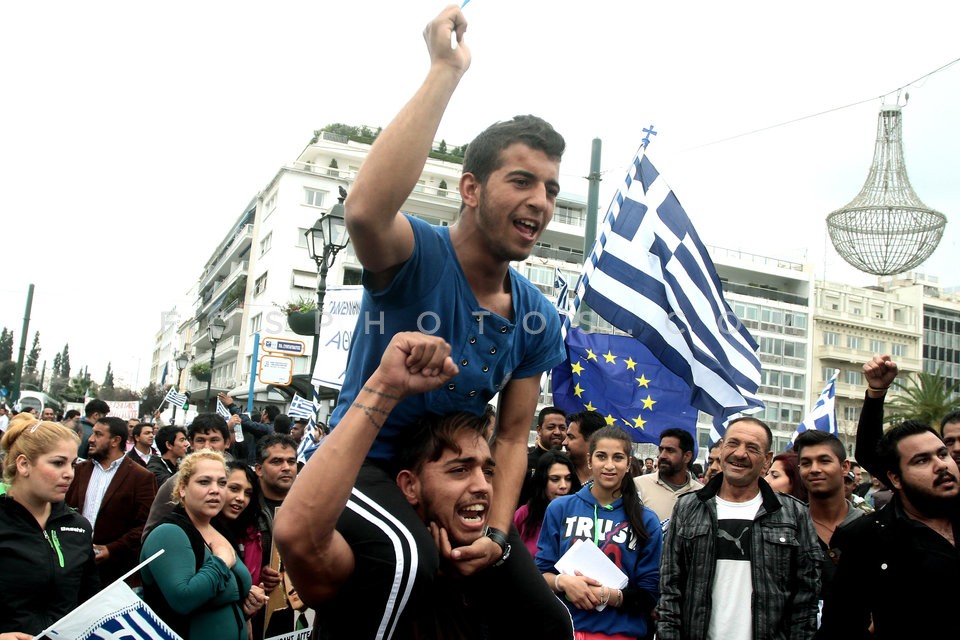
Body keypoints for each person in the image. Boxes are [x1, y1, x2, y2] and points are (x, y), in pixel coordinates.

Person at [292, 5, 568, 637]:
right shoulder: (415, 255)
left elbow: (510, 439)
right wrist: (445, 69)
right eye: (522, 180)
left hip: (449, 481)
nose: (540, 202)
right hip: (368, 468)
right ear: (469, 189)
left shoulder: (537, 318)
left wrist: (496, 536)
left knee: (547, 621)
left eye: (551, 188)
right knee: (405, 559)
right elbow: (363, 211)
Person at [274, 332, 574, 639]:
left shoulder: (497, 574)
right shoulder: (369, 562)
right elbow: (296, 535)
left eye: (487, 471)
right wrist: (385, 386)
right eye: (459, 470)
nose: (482, 486)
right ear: (409, 485)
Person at [658, 417, 821, 640]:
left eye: (752, 448)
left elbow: (806, 600)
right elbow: (670, 589)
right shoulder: (687, 507)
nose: (740, 454)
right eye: (733, 444)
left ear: (767, 460)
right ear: (722, 447)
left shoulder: (794, 514)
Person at [819, 420, 960, 638]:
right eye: (922, 460)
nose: (941, 465)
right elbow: (840, 627)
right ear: (895, 478)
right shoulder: (868, 538)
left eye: (942, 454)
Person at [537, 425, 662, 640]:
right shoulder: (560, 509)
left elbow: (649, 594)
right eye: (601, 457)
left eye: (618, 458)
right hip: (565, 629)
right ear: (589, 460)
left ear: (628, 463)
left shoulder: (647, 520)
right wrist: (563, 582)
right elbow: (540, 574)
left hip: (621, 633)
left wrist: (605, 596)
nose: (609, 466)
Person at [140, 450, 267, 639]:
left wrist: (246, 607)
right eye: (204, 482)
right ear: (182, 488)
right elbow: (184, 599)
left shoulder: (218, 528)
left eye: (222, 483)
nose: (215, 489)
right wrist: (221, 562)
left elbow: (223, 596)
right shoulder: (169, 533)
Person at [0, 418, 99, 638]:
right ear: (23, 464)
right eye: (58, 463)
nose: (69, 473)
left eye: (72, 464)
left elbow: (90, 604)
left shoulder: (79, 527)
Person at [64, 416, 157, 589]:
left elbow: (145, 525)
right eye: (92, 434)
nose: (91, 439)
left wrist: (112, 549)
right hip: (73, 566)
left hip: (113, 575)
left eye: (98, 434)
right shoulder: (79, 471)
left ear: (115, 440)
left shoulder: (141, 477)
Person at [793, 429, 864, 619]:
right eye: (806, 463)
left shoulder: (869, 527)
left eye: (824, 461)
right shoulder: (790, 527)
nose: (814, 469)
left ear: (844, 467)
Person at [143, 414, 232, 540]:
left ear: (227, 442)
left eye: (214, 440)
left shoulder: (239, 478)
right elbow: (150, 533)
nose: (207, 447)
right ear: (191, 443)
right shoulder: (176, 482)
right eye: (200, 440)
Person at [514, 449, 581, 557]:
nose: (563, 485)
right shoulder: (523, 515)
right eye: (555, 479)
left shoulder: (581, 515)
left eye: (568, 479)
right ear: (542, 481)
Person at [634, 427, 703, 524]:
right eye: (661, 450)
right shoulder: (637, 485)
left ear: (687, 456)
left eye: (670, 450)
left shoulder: (701, 493)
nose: (662, 456)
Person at [217, 459, 263, 585]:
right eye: (234, 489)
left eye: (248, 493)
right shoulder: (195, 528)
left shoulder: (251, 534)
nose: (241, 498)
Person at [519, 406, 567, 507]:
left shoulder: (569, 464)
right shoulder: (524, 463)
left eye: (562, 428)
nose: (557, 432)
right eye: (551, 427)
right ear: (539, 430)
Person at [563, 410, 608, 484]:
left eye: (571, 437)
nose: (564, 442)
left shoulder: (611, 479)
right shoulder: (556, 471)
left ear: (592, 440)